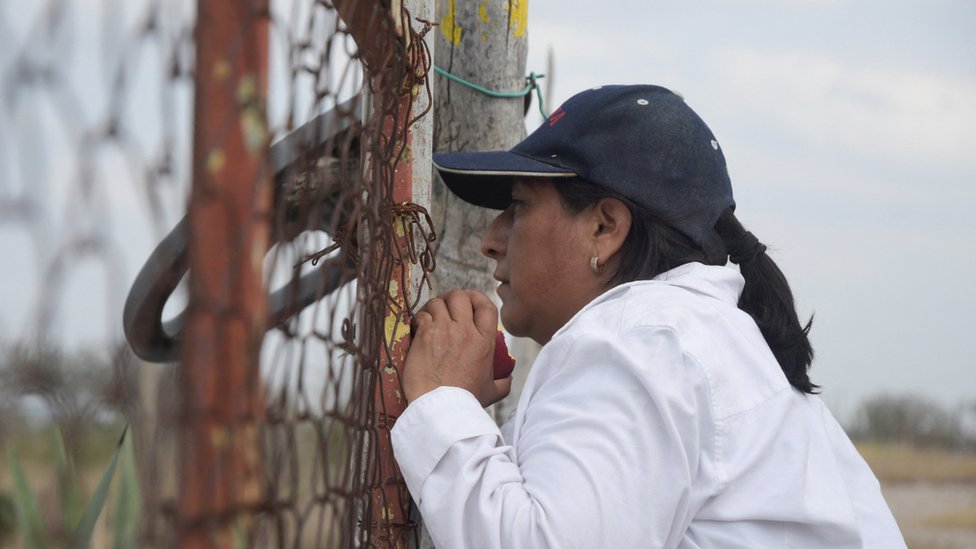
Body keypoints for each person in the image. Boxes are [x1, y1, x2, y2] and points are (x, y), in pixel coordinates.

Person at [390, 84, 904, 548]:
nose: (490, 240)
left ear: (605, 228)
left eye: (518, 207)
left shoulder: (636, 338)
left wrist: (442, 401)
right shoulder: (695, 335)